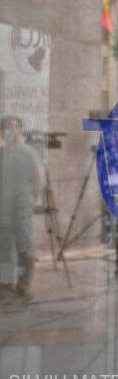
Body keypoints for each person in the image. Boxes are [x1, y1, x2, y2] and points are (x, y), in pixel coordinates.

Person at [0, 116, 44, 303]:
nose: (10, 131)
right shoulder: (1, 154)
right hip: (3, 208)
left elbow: (38, 179)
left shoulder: (29, 153)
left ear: (20, 130)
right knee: (4, 249)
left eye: (14, 127)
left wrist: (32, 200)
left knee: (24, 249)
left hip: (22, 207)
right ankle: (5, 285)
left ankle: (23, 286)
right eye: (6, 128)